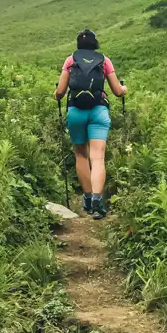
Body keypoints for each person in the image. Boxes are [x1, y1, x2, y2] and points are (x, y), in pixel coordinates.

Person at [53, 29, 126, 219]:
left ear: (79, 44)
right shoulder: (104, 60)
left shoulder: (70, 60)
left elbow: (60, 91)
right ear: (95, 44)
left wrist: (56, 95)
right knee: (98, 157)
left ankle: (86, 199)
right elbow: (117, 91)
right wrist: (124, 88)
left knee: (81, 155)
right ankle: (97, 200)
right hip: (98, 111)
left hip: (76, 111)